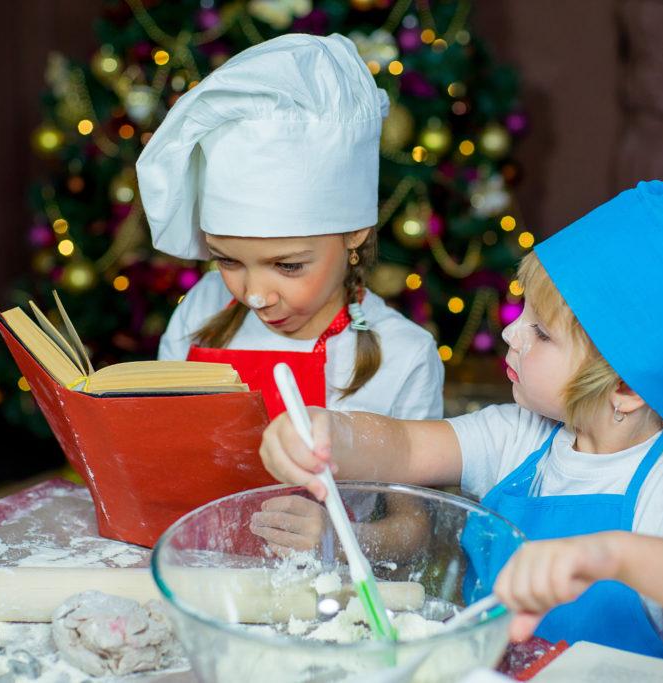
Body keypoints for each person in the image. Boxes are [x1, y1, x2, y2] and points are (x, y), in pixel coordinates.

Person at [258, 180, 663, 662]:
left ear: (624, 387)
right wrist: (330, 431)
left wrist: (607, 554)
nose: (510, 335)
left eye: (541, 333)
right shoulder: (518, 435)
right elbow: (402, 448)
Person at [137, 33, 443, 555]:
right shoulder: (200, 313)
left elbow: (414, 529)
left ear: (355, 234)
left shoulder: (404, 356)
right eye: (227, 259)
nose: (254, 294)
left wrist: (337, 540)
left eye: (288, 265)